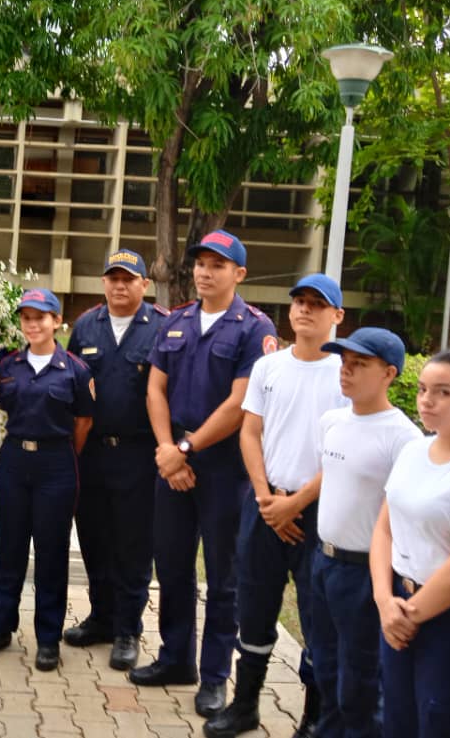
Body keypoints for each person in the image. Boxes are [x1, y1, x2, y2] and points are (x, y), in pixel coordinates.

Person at [130, 229, 277, 720]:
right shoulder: (175, 322)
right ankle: (176, 659)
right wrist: (167, 449)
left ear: (240, 273)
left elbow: (240, 403)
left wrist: (186, 449)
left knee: (223, 578)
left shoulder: (255, 328)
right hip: (173, 461)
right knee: (170, 567)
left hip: (222, 470)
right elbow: (155, 389)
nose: (204, 272)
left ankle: (214, 678)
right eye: (200, 263)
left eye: (217, 264)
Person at [204, 274, 347, 738]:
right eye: (299, 302)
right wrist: (267, 498)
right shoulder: (269, 367)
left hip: (319, 513)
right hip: (265, 505)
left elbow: (348, 450)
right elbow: (250, 432)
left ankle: (313, 718)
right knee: (256, 608)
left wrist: (297, 503)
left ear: (337, 316)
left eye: (317, 304)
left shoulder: (345, 373)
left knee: (316, 618)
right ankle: (245, 706)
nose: (305, 310)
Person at [306, 327, 420, 738]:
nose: (346, 372)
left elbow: (401, 517)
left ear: (389, 373)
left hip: (366, 573)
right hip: (323, 562)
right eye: (344, 362)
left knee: (361, 679)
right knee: (325, 665)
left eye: (360, 365)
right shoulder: (332, 420)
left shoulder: (403, 437)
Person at [0, 288, 94, 672]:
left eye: (41, 317)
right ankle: (0, 627)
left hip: (56, 464)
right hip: (13, 461)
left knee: (51, 552)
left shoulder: (75, 369)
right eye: (26, 317)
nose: (33, 324)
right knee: (8, 547)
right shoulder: (7, 365)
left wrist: (56, 454)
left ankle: (47, 638)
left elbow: (83, 422)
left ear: (57, 321)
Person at [62, 249, 166, 671]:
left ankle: (128, 628)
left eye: (129, 279)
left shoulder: (162, 328)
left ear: (144, 284)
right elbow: (68, 385)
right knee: (94, 539)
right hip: (92, 454)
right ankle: (101, 617)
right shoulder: (87, 325)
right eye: (113, 278)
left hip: (139, 455)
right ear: (103, 282)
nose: (120, 285)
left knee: (133, 546)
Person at [370, 348, 450, 738]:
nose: (427, 400)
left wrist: (407, 616)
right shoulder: (413, 449)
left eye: (444, 392)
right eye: (421, 389)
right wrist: (385, 603)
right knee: (396, 716)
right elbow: (384, 529)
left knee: (437, 719)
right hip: (398, 602)